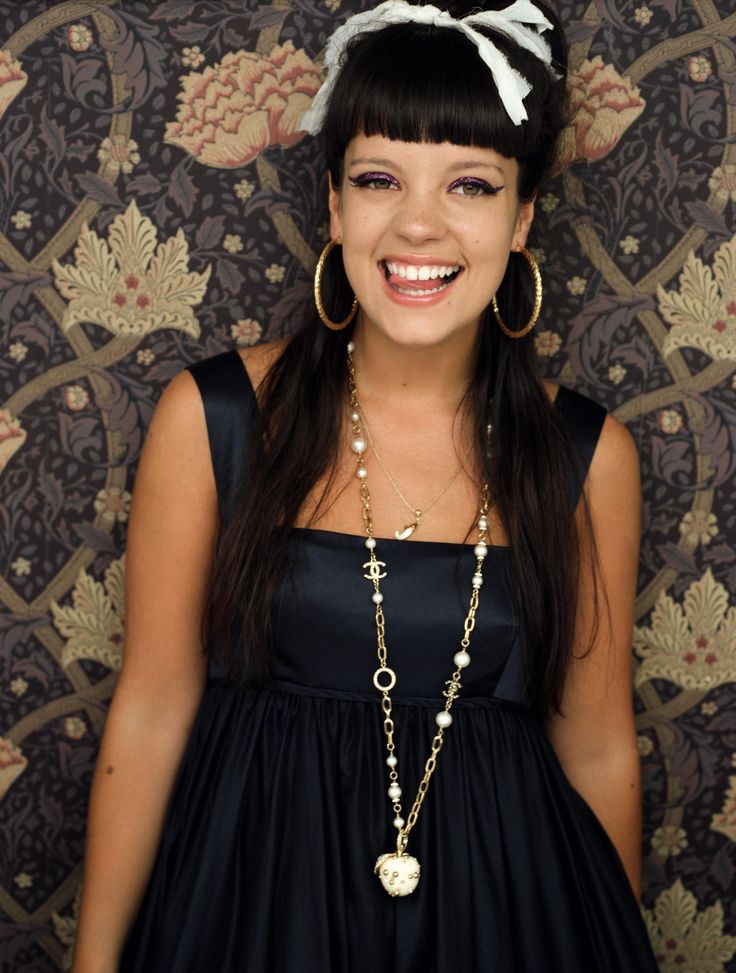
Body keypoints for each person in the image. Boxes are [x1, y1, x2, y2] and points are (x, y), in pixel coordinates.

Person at [71, 1, 660, 970]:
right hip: (250, 911)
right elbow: (150, 707)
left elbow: (597, 749)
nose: (417, 223)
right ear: (336, 207)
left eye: (469, 185)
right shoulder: (215, 418)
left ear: (519, 221)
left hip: (504, 919)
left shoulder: (583, 455)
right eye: (379, 178)